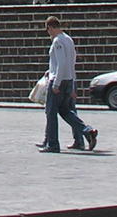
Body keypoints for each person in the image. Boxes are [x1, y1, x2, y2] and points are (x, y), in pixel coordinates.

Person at [39, 17, 94, 153]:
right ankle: (86, 131)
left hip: (59, 80)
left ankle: (52, 144)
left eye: (48, 30)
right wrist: (73, 82)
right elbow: (70, 62)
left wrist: (56, 83)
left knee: (51, 113)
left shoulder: (57, 41)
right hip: (68, 79)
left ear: (50, 27)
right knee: (66, 111)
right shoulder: (68, 39)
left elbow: (62, 63)